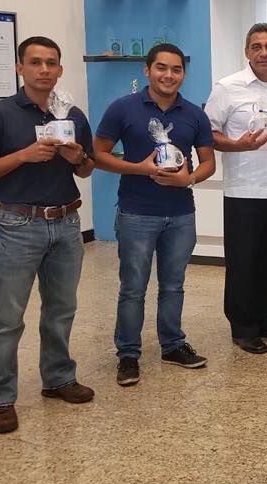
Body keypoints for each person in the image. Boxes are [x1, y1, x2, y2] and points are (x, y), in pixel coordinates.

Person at [0, 36, 95, 434]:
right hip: (18, 225)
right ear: (20, 68)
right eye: (35, 62)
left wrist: (77, 157)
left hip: (67, 223)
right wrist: (22, 156)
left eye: (51, 63)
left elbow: (87, 168)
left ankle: (58, 378)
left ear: (60, 69)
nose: (44, 70)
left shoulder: (71, 114)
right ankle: (0, 398)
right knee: (7, 318)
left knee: (61, 310)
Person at [93, 43, 216, 386]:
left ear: (183, 74)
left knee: (174, 284)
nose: (169, 75)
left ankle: (173, 345)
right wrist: (138, 168)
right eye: (161, 67)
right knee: (133, 287)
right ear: (147, 70)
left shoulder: (194, 114)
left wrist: (189, 179)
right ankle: (128, 354)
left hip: (180, 213)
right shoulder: (122, 108)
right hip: (136, 212)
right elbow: (98, 155)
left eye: (176, 69)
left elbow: (208, 162)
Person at [204, 22, 267, 354]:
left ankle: (264, 317)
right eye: (256, 46)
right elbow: (207, 134)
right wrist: (236, 145)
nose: (263, 53)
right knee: (243, 262)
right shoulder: (227, 88)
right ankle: (243, 327)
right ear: (247, 52)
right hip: (243, 191)